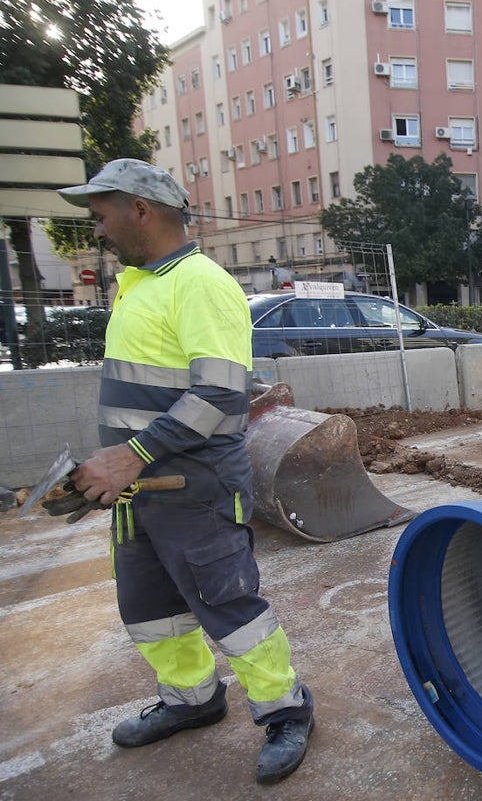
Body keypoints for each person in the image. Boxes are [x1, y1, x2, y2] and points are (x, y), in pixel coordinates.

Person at [57, 159, 314, 785]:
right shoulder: (138, 284)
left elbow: (220, 397)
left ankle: (286, 710)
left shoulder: (199, 283)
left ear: (140, 209)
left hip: (193, 490)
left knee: (230, 609)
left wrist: (128, 455)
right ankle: (192, 700)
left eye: (102, 215)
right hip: (139, 495)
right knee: (150, 611)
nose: (98, 230)